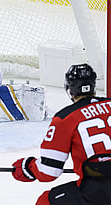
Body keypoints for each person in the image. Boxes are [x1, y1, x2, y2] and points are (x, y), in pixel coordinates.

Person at [12, 63, 111, 205]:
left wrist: (28, 167)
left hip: (97, 192)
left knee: (45, 201)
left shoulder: (65, 118)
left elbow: (49, 171)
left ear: (70, 89)